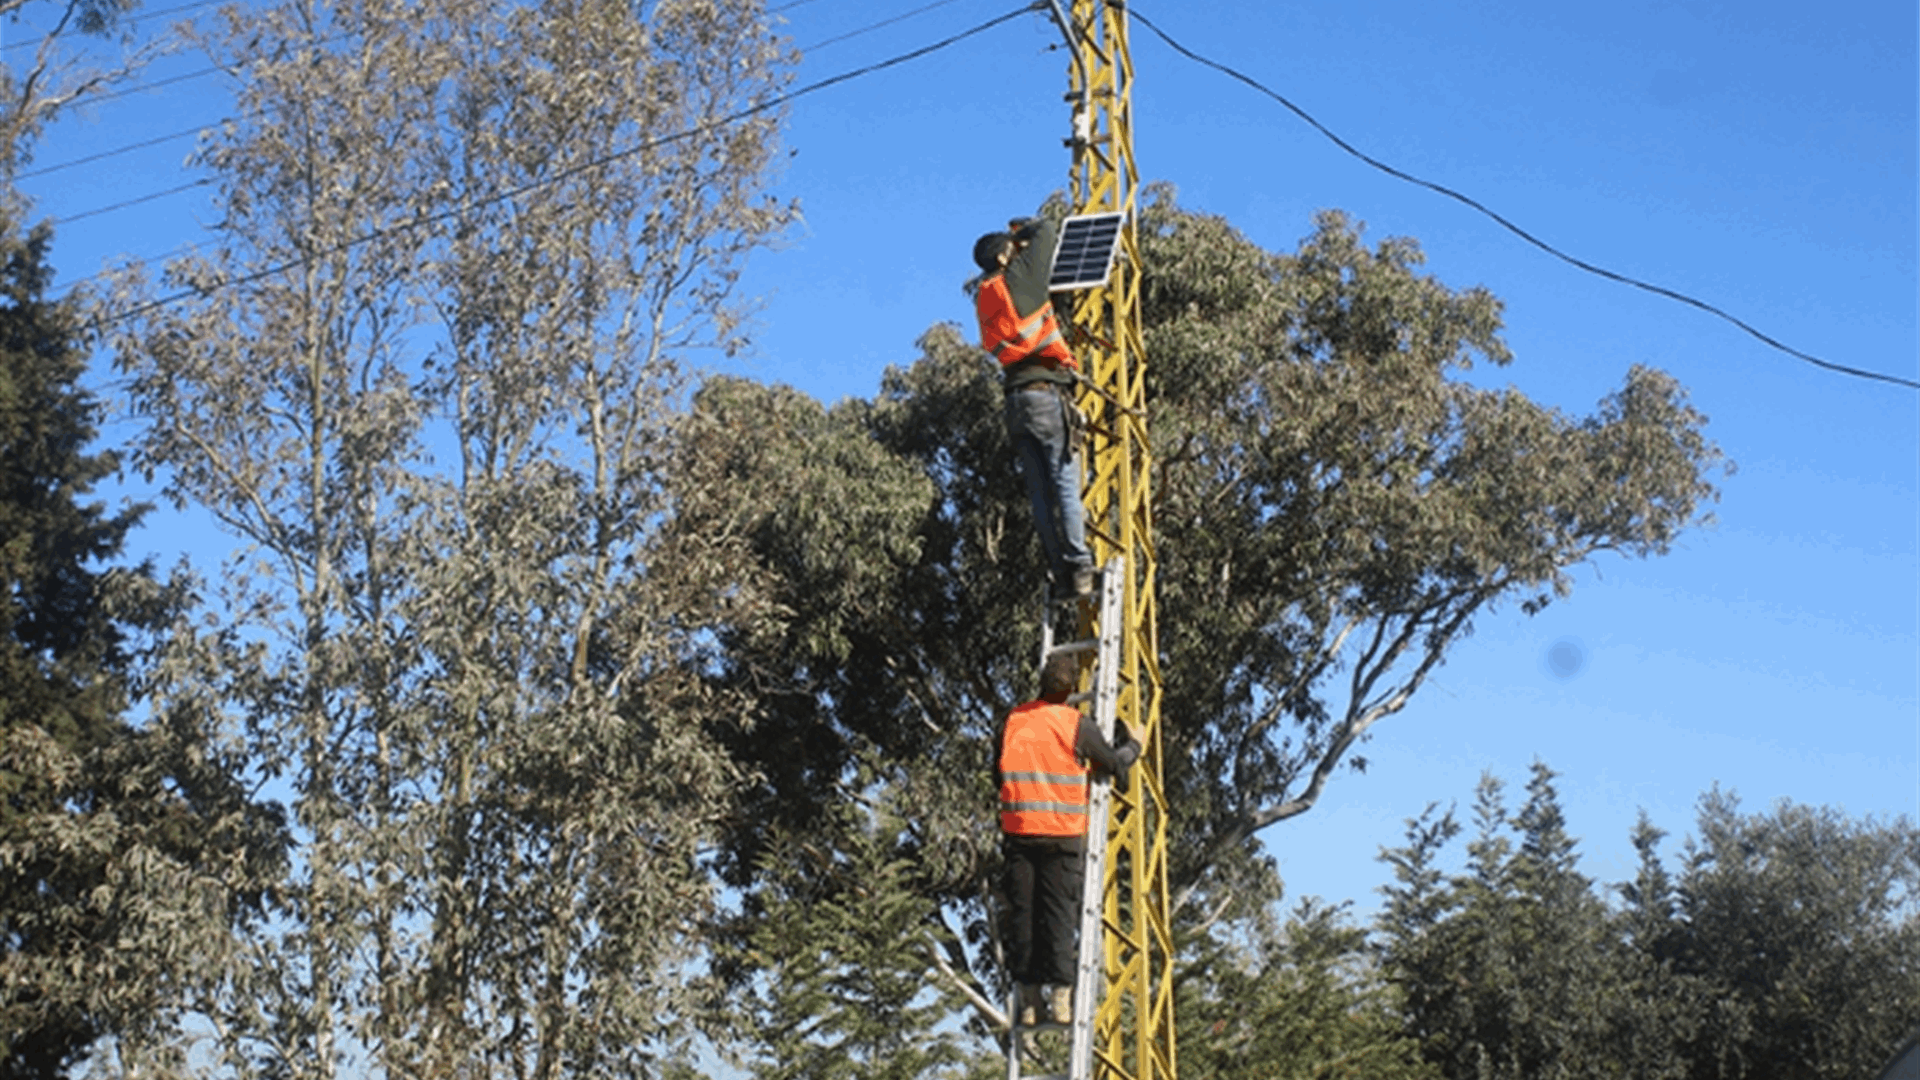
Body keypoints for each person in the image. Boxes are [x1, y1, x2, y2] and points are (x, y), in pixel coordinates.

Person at [996, 650, 1139, 1027]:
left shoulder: (1013, 722)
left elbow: (999, 773)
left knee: (1024, 920)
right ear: (1073, 689)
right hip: (1061, 836)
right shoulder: (1077, 725)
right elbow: (1113, 764)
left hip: (1020, 835)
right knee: (1058, 919)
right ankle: (1061, 1001)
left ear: (1040, 682)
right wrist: (1134, 745)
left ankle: (1028, 1003)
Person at [972, 216, 1094, 598]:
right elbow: (1046, 231)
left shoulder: (985, 295)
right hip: (1045, 395)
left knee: (1041, 494)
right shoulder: (1019, 278)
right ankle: (1081, 566)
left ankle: (1060, 569)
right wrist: (1020, 234)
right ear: (1005, 257)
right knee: (1065, 483)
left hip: (1015, 402)